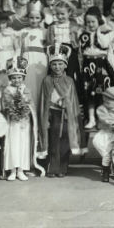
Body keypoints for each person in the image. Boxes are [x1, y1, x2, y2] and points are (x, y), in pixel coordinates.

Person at [37, 44, 83, 178]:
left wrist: (66, 104)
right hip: (52, 114)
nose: (57, 67)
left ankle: (63, 167)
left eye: (60, 64)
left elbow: (73, 99)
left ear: (65, 65)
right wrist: (47, 116)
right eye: (54, 64)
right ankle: (52, 167)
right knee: (53, 141)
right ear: (50, 66)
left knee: (64, 142)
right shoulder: (46, 80)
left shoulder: (69, 81)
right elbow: (44, 100)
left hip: (66, 114)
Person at [1, 57, 39, 181]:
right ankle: (12, 169)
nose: (17, 80)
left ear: (23, 78)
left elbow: (30, 104)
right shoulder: (7, 90)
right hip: (12, 121)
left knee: (23, 143)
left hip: (24, 122)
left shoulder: (26, 90)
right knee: (13, 143)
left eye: (19, 77)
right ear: (10, 79)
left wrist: (25, 108)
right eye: (14, 77)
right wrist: (14, 110)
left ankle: (21, 170)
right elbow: (6, 104)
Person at [79, 6, 113, 129]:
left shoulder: (105, 33)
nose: (91, 24)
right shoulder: (84, 35)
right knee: (90, 93)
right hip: (88, 66)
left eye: (93, 21)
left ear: (99, 21)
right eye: (88, 22)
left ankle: (102, 119)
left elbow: (106, 48)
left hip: (101, 64)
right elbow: (83, 51)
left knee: (102, 92)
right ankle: (92, 118)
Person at [20, 2, 49, 111]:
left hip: (40, 61)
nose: (34, 20)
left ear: (41, 19)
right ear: (27, 18)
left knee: (40, 86)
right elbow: (20, 48)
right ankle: (29, 113)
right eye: (31, 17)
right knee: (28, 85)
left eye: (37, 18)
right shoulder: (23, 32)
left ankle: (41, 114)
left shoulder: (45, 32)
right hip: (27, 59)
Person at [47, 0, 82, 87]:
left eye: (62, 14)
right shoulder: (53, 27)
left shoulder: (73, 25)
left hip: (70, 51)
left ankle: (70, 92)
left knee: (70, 72)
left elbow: (78, 40)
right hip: (57, 50)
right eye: (57, 14)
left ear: (69, 13)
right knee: (57, 71)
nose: (60, 16)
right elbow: (50, 42)